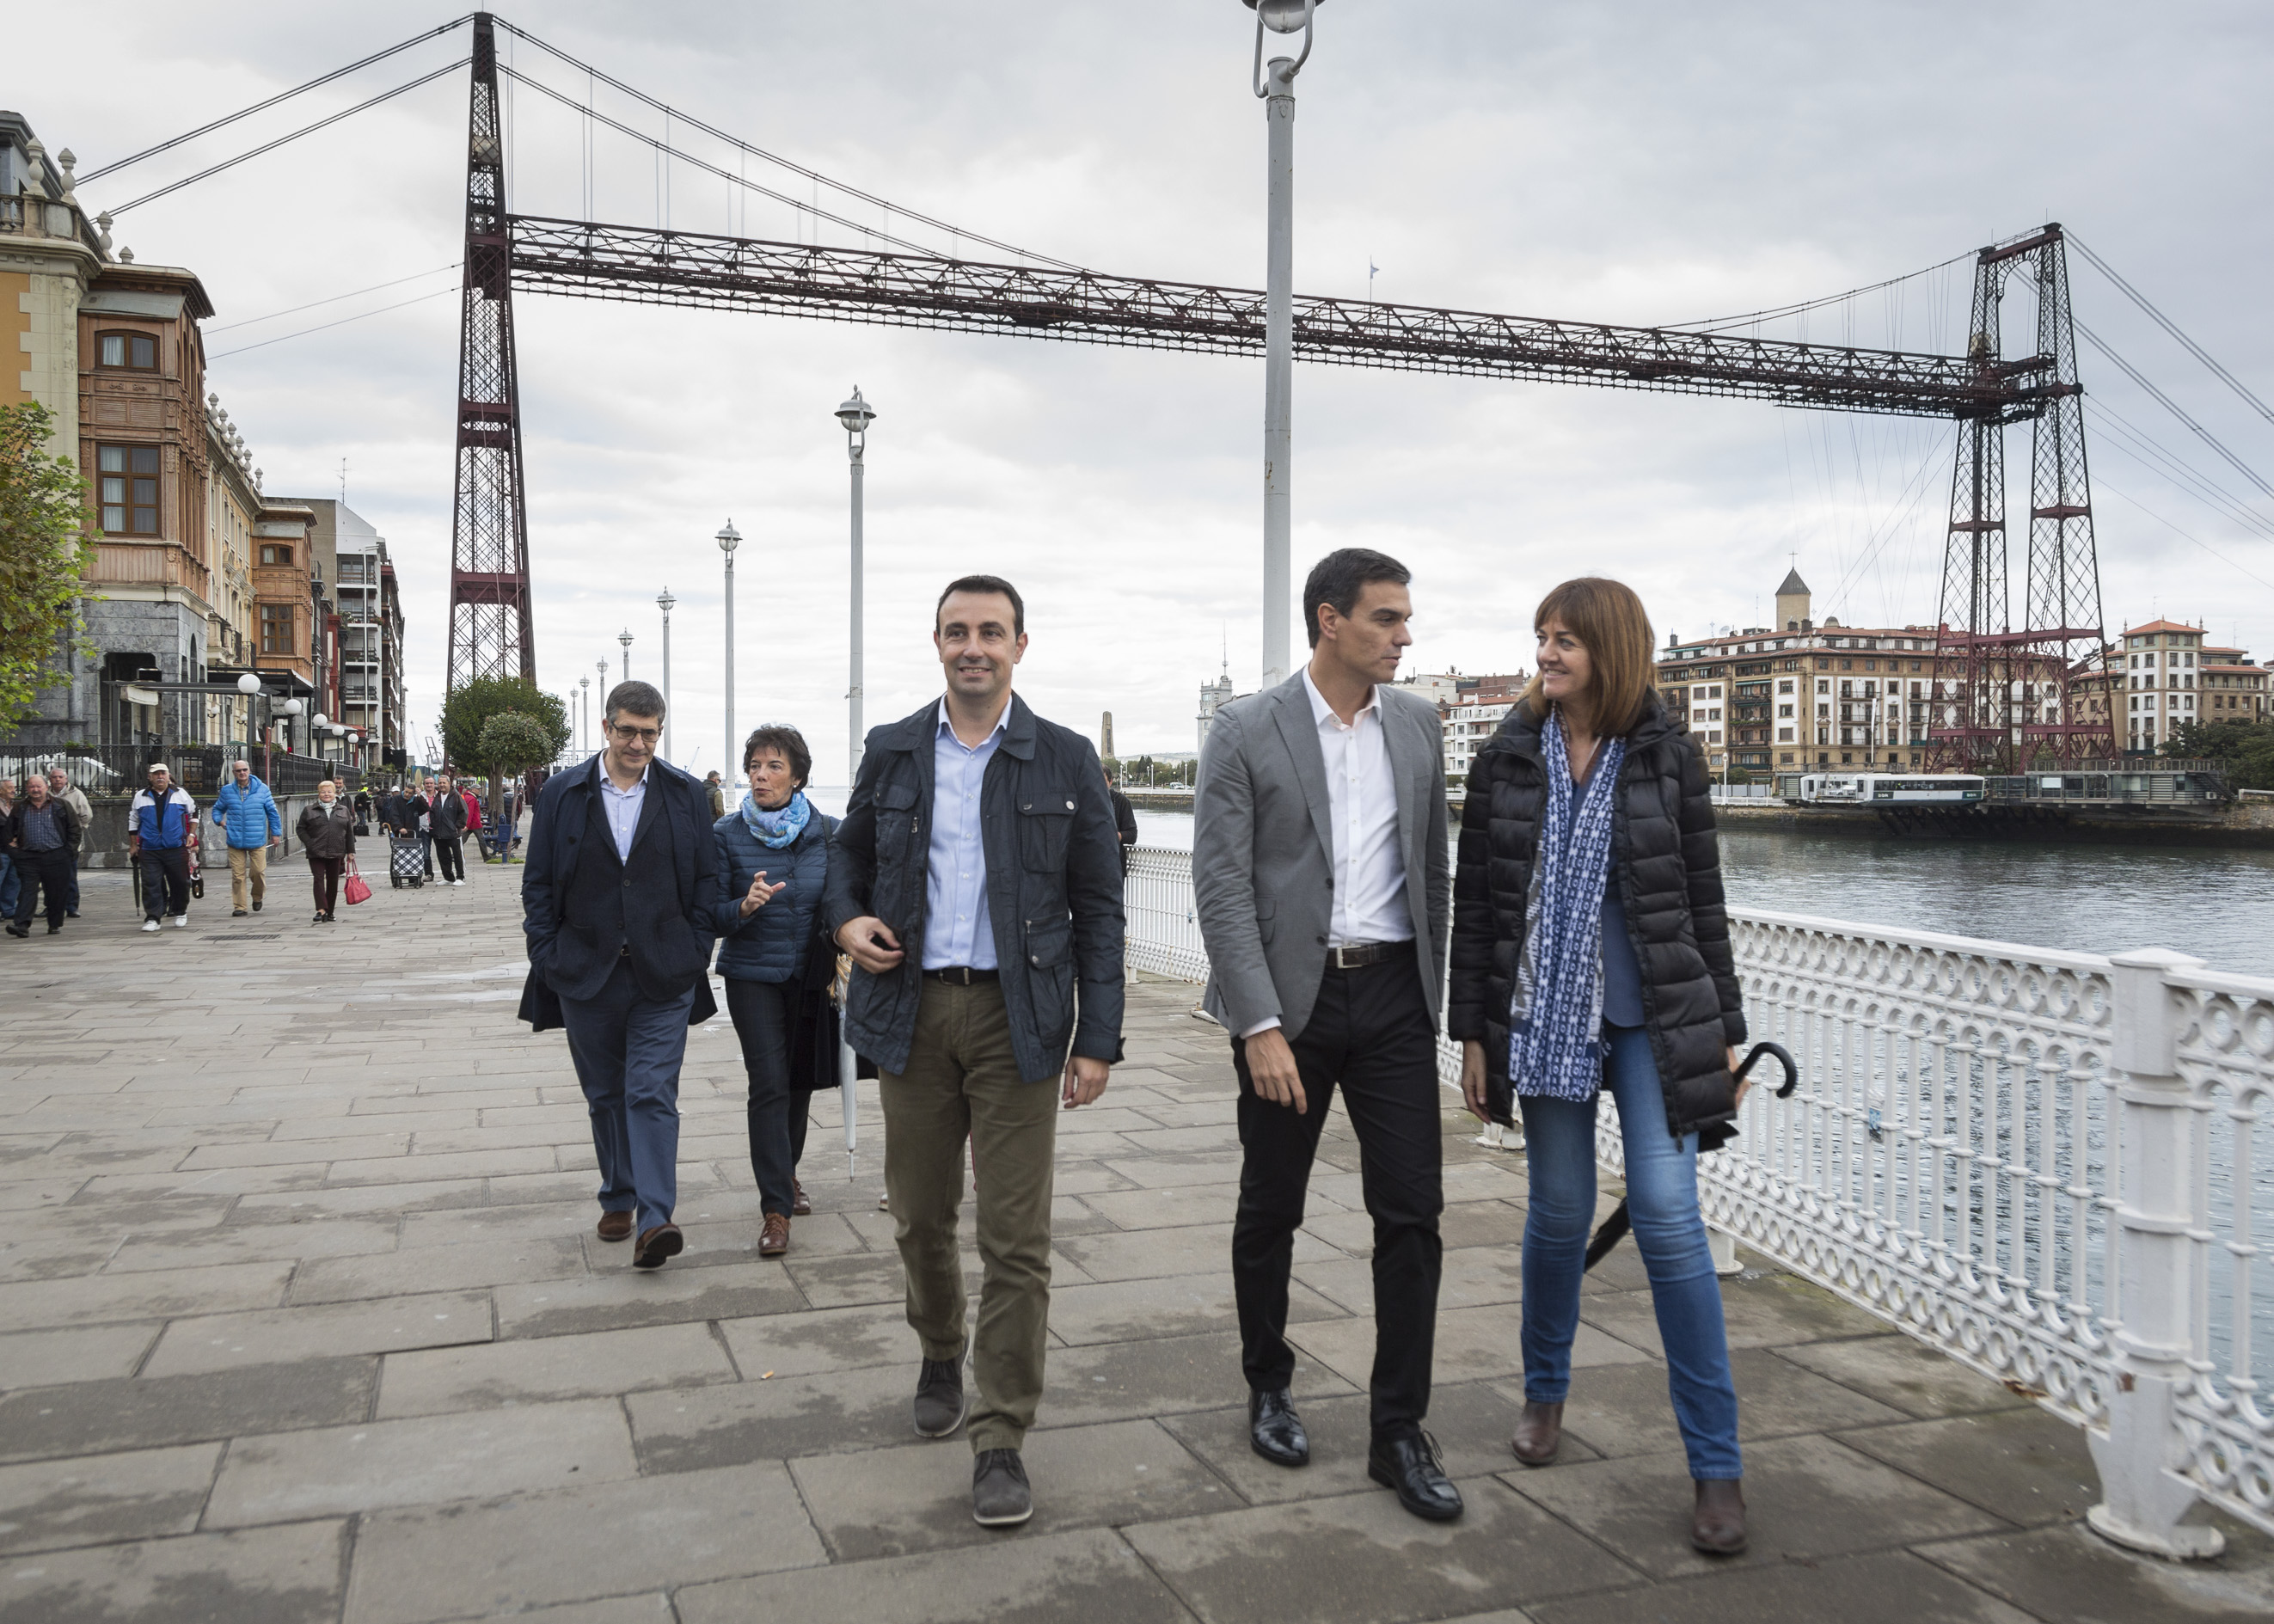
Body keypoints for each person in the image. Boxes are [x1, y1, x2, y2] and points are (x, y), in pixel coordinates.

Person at [1451, 576, 1752, 1557]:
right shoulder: (1506, 757)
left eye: (1565, 639)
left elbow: (1701, 898)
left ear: (1610, 651)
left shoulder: (1667, 755)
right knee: (1556, 1210)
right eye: (1540, 635)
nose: (1546, 652)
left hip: (1655, 1017)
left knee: (1668, 1216)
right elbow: (1479, 906)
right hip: (1542, 1014)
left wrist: (1725, 1031)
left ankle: (1715, 1463)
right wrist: (1472, 1033)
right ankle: (1543, 1392)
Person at [826, 573, 1125, 1530]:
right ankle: (937, 1346)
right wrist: (845, 919)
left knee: (1015, 1238)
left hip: (1017, 1017)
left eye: (991, 631)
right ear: (936, 641)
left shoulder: (1064, 757)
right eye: (957, 630)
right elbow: (844, 854)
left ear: (1019, 646)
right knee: (919, 1214)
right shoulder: (893, 747)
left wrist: (1098, 1038)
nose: (973, 646)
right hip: (909, 1010)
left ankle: (1000, 1433)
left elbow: (1100, 905)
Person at [1192, 547, 1460, 1523]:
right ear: (1328, 620)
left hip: (1392, 999)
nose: (1404, 636)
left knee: (1412, 1214)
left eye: (1405, 618)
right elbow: (1221, 883)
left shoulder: (1418, 723)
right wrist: (1257, 1023)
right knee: (1271, 1207)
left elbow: (1432, 871)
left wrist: (1438, 1007)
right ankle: (1268, 1383)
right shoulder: (1244, 727)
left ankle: (1399, 1429)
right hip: (1288, 1007)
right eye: (1387, 618)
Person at [520, 680, 719, 1271]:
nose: (638, 743)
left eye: (649, 733)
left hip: (666, 972)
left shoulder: (685, 794)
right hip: (586, 971)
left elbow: (706, 880)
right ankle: (618, 1194)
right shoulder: (561, 793)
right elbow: (538, 882)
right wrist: (546, 952)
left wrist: (697, 947)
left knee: (651, 1091)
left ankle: (655, 1219)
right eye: (628, 731)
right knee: (605, 1093)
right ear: (606, 727)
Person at [714, 724, 840, 1258]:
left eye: (773, 766)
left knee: (799, 1081)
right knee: (768, 1083)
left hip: (811, 976)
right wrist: (741, 907)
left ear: (798, 777)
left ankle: (786, 1173)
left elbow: (846, 897)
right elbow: (709, 912)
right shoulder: (725, 834)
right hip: (752, 976)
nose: (760, 776)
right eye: (754, 766)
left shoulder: (828, 832)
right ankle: (775, 1210)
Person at [4, 775, 82, 937]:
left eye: (39, 786)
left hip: (56, 856)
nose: (36, 790)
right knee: (28, 890)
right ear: (27, 788)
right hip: (28, 857)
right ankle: (21, 925)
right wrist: (15, 853)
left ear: (46, 787)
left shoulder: (61, 805)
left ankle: (54, 924)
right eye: (32, 786)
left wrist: (69, 852)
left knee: (56, 892)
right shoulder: (20, 807)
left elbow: (74, 829)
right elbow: (8, 832)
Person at [128, 763, 199, 933]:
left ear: (168, 775)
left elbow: (194, 813)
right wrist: (133, 845)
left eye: (163, 773)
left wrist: (191, 834)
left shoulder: (180, 793)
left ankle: (180, 911)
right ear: (150, 777)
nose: (160, 777)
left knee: (180, 882)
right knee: (150, 883)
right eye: (156, 774)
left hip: (175, 846)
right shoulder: (141, 796)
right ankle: (153, 917)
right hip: (150, 848)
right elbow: (133, 820)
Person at [211, 759, 283, 917]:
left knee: (258, 872)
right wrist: (219, 821)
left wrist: (276, 833)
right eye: (238, 770)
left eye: (244, 769)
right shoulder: (227, 791)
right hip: (235, 839)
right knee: (238, 875)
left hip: (257, 839)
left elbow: (272, 813)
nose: (242, 773)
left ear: (249, 770)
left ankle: (257, 897)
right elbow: (217, 809)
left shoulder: (262, 790)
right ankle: (240, 906)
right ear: (234, 773)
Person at [297, 781, 358, 922]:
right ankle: (321, 909)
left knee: (333, 882)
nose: (326, 794)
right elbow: (300, 829)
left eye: (329, 791)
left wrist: (350, 851)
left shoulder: (343, 810)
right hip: (316, 851)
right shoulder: (309, 810)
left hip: (336, 850)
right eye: (323, 792)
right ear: (318, 794)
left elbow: (349, 832)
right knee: (318, 879)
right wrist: (309, 843)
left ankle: (330, 911)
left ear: (334, 793)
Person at [44, 769, 92, 918]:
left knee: (70, 875)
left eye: (60, 777)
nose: (57, 780)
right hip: (48, 842)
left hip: (68, 842)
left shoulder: (76, 794)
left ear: (66, 779)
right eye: (54, 777)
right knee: (49, 878)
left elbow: (87, 815)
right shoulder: (45, 793)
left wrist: (75, 830)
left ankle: (71, 906)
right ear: (50, 779)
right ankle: (50, 906)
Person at [430, 771, 469, 886]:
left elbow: (464, 812)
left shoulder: (456, 796)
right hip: (439, 833)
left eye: (444, 783)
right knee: (443, 856)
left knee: (457, 855)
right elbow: (432, 812)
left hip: (453, 832)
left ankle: (460, 877)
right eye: (440, 783)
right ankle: (448, 877)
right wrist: (434, 825)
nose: (442, 785)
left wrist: (458, 826)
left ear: (449, 783)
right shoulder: (437, 797)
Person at [1106, 769, 1138, 875]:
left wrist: (1116, 836)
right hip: (1086, 869)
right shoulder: (1084, 801)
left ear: (1110, 781)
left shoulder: (1121, 801)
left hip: (1113, 868)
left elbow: (1132, 835)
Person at [0, 777, 17, 922]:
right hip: (1, 850)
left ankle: (9, 909)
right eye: (10, 788)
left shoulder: (15, 806)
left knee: (13, 881)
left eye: (14, 787)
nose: (13, 790)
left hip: (14, 851)